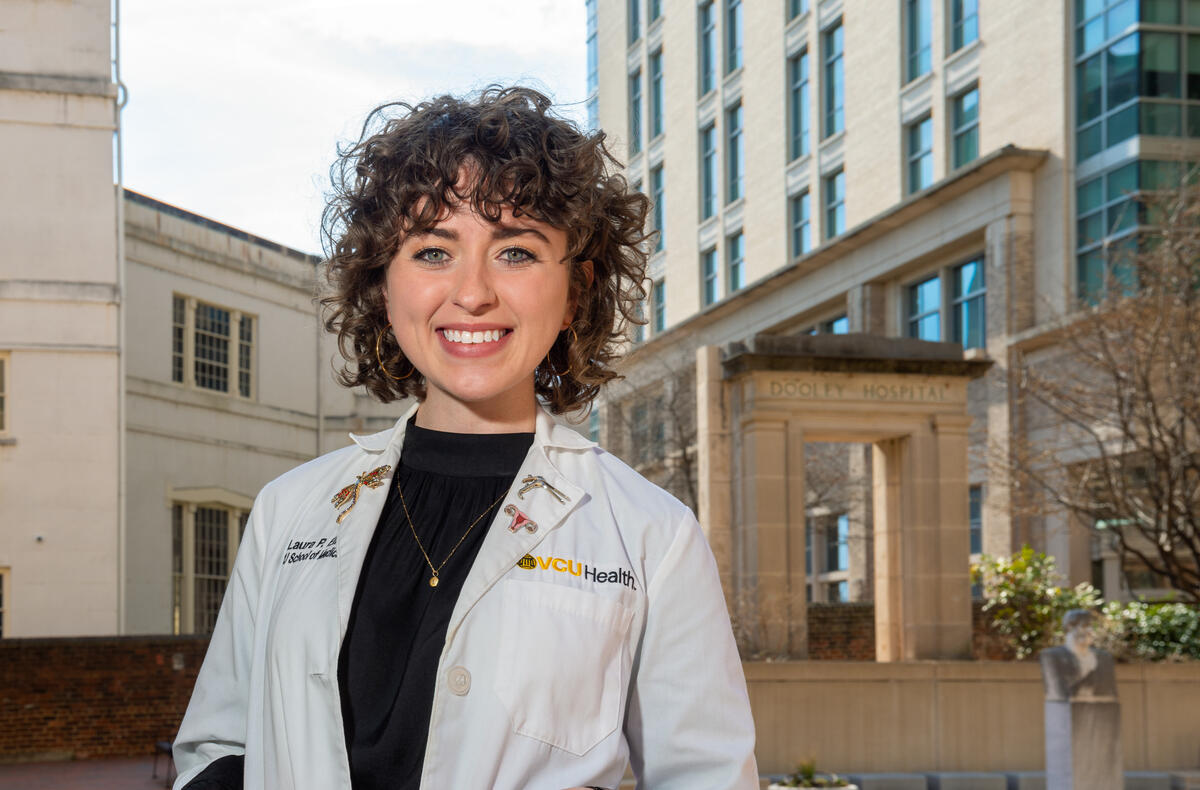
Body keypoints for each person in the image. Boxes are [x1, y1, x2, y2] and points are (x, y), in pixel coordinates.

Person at [172, 86, 758, 790]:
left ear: (575, 291)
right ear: (383, 286)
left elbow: (707, 776)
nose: (473, 292)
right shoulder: (286, 510)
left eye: (515, 252)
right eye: (431, 251)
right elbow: (216, 748)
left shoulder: (651, 535)